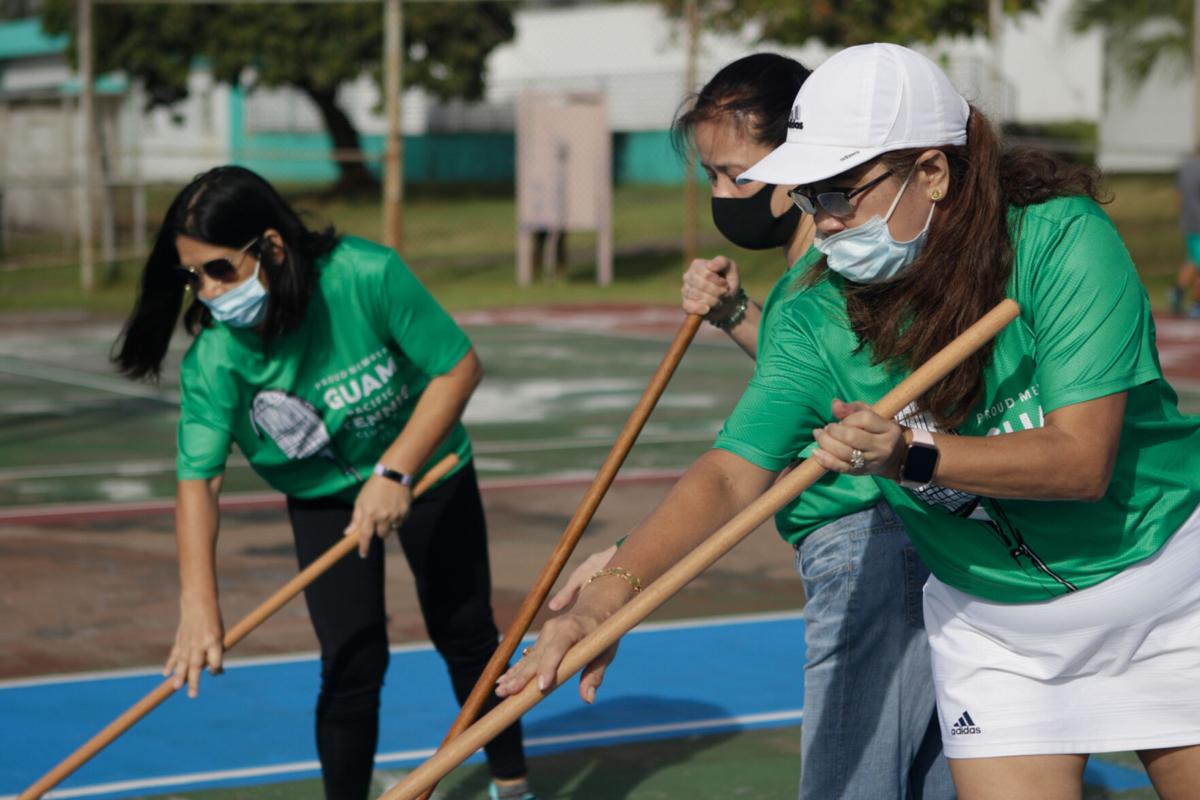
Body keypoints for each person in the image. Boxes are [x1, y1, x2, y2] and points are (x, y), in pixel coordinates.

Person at [501, 43, 1200, 799]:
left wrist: (913, 456)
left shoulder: (1058, 239)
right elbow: (733, 471)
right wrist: (613, 599)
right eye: (807, 197)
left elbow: (1080, 461)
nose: (824, 222)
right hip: (996, 624)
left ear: (931, 172)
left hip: (1160, 580)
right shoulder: (811, 309)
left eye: (840, 192)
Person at [539, 54, 954, 799]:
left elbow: (744, 464)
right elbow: (804, 391)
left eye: (739, 174)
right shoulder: (807, 295)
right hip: (890, 547)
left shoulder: (854, 277)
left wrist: (625, 577)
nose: (724, 197)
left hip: (876, 545)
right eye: (711, 178)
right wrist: (738, 316)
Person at [112, 166, 536, 800]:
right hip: (322, 497)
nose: (206, 292)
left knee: (466, 635)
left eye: (219, 270)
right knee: (351, 663)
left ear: (271, 248)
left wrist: (395, 470)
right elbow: (197, 481)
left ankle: (513, 785)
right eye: (192, 277)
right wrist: (198, 604)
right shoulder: (215, 360)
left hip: (425, 467)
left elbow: (456, 367)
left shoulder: (365, 275)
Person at [1169, 154, 1200, 317]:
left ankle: (1177, 293)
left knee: (1193, 260)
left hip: (1189, 222)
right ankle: (1196, 305)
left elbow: (1180, 195)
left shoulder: (1187, 167)